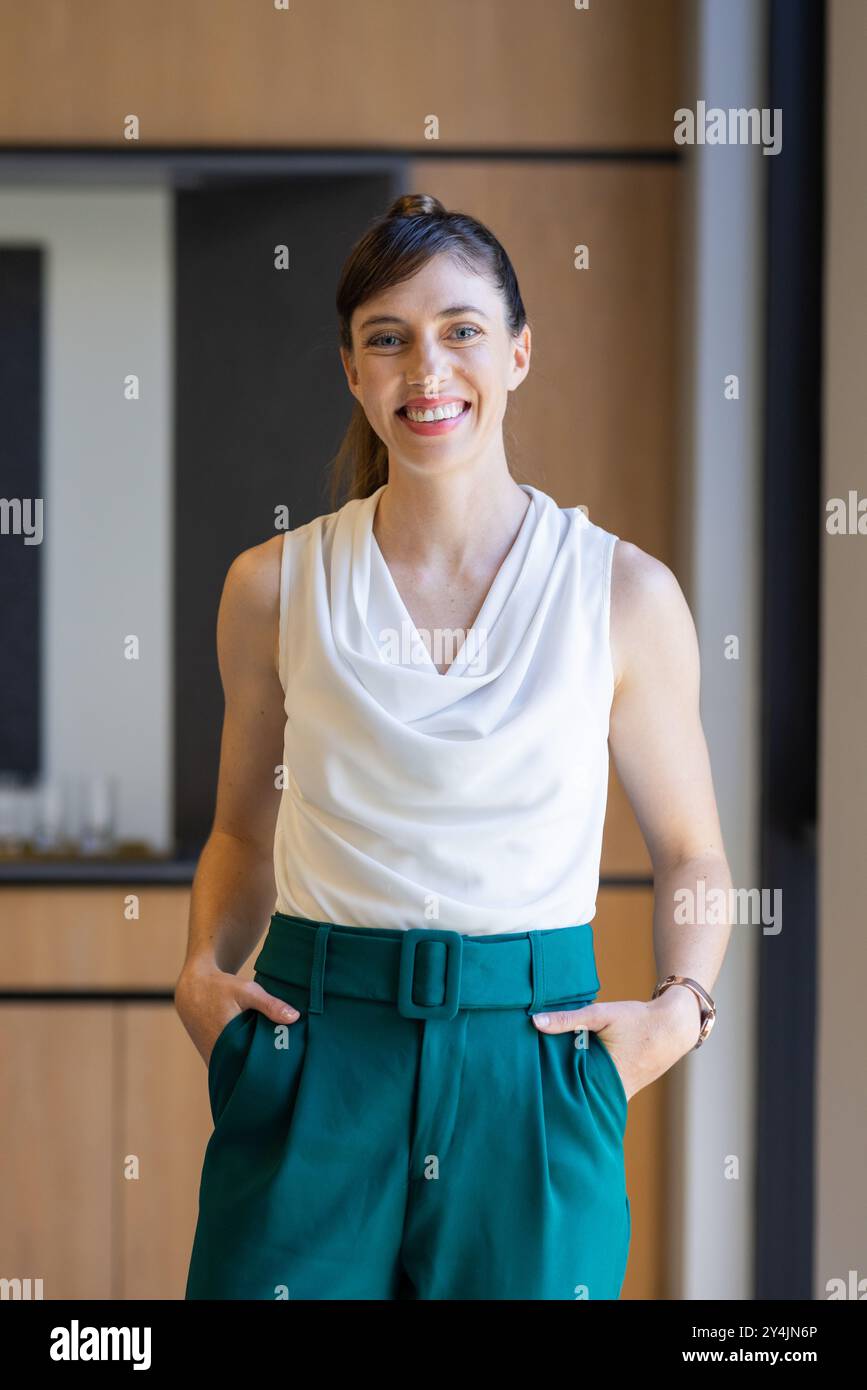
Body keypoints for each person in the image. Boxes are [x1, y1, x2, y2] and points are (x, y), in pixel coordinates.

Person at [176, 192, 733, 1301]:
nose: (427, 370)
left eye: (461, 330)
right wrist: (201, 972)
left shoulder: (623, 593)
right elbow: (242, 826)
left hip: (532, 1065)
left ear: (517, 353)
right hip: (318, 1051)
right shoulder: (270, 586)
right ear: (352, 370)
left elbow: (693, 851)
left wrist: (683, 1008)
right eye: (389, 339)